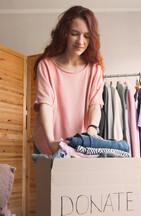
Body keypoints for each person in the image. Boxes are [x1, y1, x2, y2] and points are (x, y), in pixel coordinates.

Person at [32, 5, 105, 155]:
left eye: (86, 36)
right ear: (64, 34)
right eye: (74, 33)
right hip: (48, 140)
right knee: (49, 179)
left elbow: (95, 104)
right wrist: (51, 142)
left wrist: (91, 130)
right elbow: (45, 105)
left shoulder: (94, 70)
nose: (80, 41)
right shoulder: (46, 66)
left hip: (79, 145)